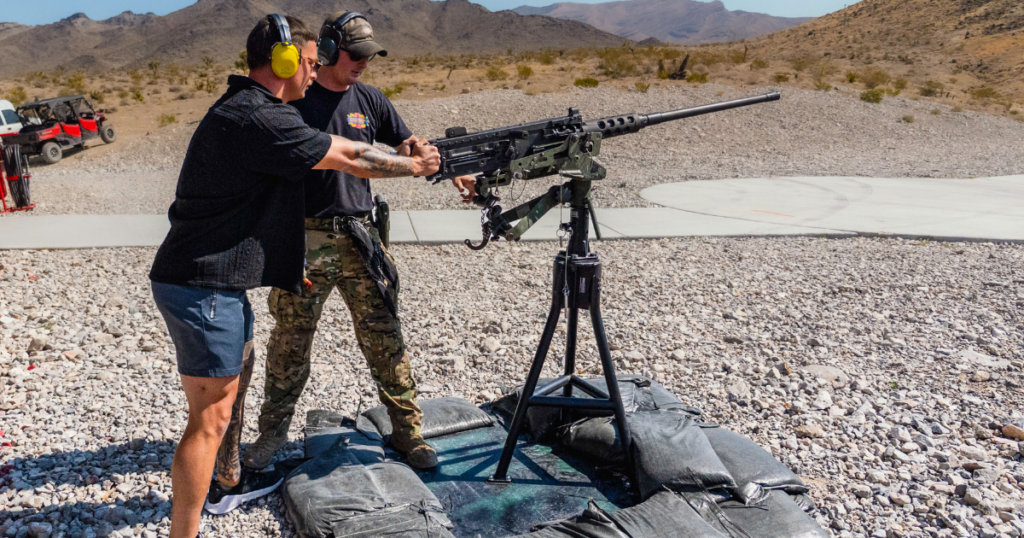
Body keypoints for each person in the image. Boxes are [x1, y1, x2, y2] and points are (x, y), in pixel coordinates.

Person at [148, 14, 440, 538]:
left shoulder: (251, 109)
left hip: (212, 283)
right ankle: (194, 520)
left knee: (237, 377)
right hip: (203, 284)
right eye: (307, 62)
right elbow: (349, 155)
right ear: (284, 61)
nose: (313, 71)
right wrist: (414, 168)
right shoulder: (262, 117)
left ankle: (230, 477)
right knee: (210, 419)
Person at [239, 11, 476, 474]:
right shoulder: (294, 102)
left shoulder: (369, 99)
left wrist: (447, 167)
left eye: (370, 55)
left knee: (386, 339)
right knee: (290, 346)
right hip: (303, 244)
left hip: (361, 240)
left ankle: (408, 432)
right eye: (355, 55)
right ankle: (270, 436)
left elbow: (408, 144)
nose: (364, 63)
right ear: (325, 52)